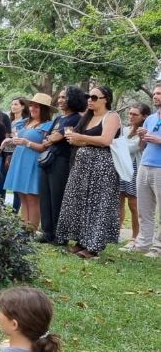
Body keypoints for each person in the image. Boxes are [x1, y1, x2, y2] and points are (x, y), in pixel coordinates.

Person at [55, 85, 123, 259]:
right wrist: (76, 139)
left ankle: (93, 247)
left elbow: (106, 140)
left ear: (106, 100)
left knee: (97, 205)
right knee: (79, 203)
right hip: (82, 166)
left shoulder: (112, 116)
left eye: (94, 97)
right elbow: (78, 140)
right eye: (88, 97)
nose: (89, 100)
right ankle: (81, 241)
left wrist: (81, 138)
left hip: (102, 167)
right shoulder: (87, 116)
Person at [38, 86, 87, 245]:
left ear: (73, 99)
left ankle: (60, 235)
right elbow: (47, 139)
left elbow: (56, 138)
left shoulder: (76, 118)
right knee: (45, 196)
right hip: (48, 160)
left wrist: (51, 138)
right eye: (59, 97)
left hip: (62, 161)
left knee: (57, 197)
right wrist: (51, 138)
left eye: (64, 97)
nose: (60, 100)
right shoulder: (59, 119)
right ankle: (47, 232)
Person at [3, 93, 54, 229]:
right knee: (23, 197)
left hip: (33, 162)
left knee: (32, 198)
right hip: (19, 160)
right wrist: (10, 141)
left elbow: (45, 147)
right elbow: (17, 139)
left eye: (37, 106)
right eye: (31, 105)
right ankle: (24, 230)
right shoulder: (25, 123)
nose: (32, 109)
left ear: (44, 109)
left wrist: (27, 143)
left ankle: (31, 230)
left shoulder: (48, 125)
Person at [130, 83, 161, 256]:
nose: (155, 96)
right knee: (144, 209)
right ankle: (143, 244)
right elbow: (142, 146)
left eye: (159, 93)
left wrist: (158, 140)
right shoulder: (150, 119)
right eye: (155, 93)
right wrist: (142, 136)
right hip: (145, 165)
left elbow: (156, 140)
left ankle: (158, 248)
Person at [119, 103, 148, 247]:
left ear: (144, 117)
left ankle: (135, 236)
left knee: (133, 204)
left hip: (135, 168)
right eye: (130, 113)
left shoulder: (144, 133)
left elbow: (131, 148)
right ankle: (116, 232)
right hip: (122, 167)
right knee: (119, 201)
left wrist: (118, 145)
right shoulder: (125, 130)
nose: (131, 116)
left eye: (135, 114)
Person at [4, 98, 29, 213]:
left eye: (16, 104)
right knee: (3, 182)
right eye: (12, 104)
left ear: (23, 106)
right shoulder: (8, 120)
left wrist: (13, 136)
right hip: (5, 152)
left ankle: (14, 211)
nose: (13, 106)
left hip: (17, 153)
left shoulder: (25, 122)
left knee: (16, 185)